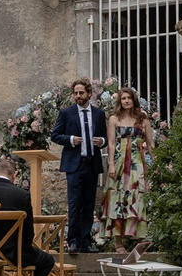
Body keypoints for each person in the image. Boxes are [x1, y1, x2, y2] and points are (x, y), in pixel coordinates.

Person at [52, 77, 109, 253]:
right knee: (75, 203)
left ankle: (86, 241)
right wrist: (70, 139)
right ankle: (73, 241)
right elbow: (55, 135)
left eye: (81, 93)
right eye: (75, 93)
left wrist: (102, 141)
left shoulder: (98, 114)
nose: (78, 96)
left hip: (91, 164)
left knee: (89, 204)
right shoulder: (66, 113)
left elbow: (105, 138)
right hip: (74, 165)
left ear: (89, 94)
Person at [103, 88, 159, 254]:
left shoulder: (143, 119)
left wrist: (156, 164)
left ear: (134, 100)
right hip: (120, 163)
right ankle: (118, 242)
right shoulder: (114, 119)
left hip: (137, 163)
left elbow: (150, 144)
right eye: (123, 99)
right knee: (117, 199)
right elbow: (111, 144)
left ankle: (141, 240)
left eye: (129, 98)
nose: (126, 101)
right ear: (119, 101)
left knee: (138, 197)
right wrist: (111, 164)